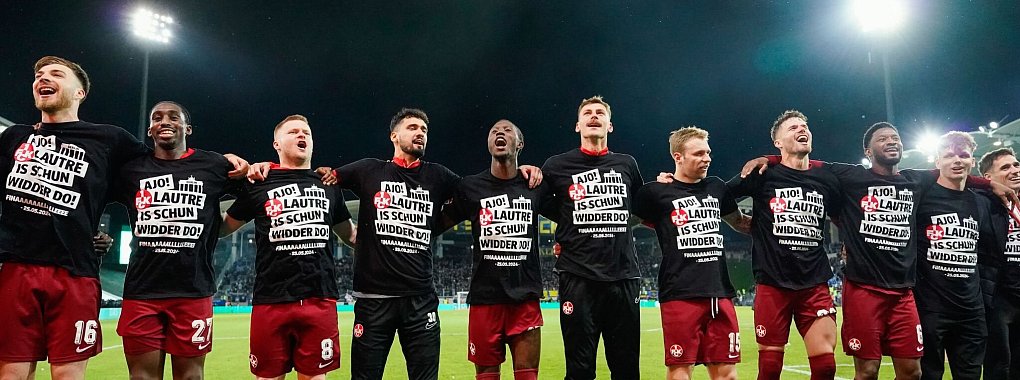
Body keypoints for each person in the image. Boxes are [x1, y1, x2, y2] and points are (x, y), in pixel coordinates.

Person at [248, 108, 541, 380]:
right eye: (412, 127)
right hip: (373, 301)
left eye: (424, 129)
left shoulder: (438, 176)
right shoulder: (368, 170)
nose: (420, 133)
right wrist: (266, 168)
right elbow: (317, 177)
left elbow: (483, 186)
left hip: (420, 299)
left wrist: (520, 171)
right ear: (394, 136)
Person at [0, 56, 152, 380]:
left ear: (80, 92)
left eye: (56, 73)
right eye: (39, 74)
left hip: (75, 274)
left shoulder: (111, 139)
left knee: (68, 374)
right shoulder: (14, 138)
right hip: (15, 270)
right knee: (10, 372)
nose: (43, 78)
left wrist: (225, 166)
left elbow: (160, 171)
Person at [113, 101, 249, 380]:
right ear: (149, 129)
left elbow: (253, 190)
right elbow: (91, 193)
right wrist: (93, 232)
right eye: (157, 118)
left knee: (190, 376)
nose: (165, 121)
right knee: (141, 377)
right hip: (142, 291)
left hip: (193, 290)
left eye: (173, 117)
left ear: (187, 128)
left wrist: (225, 223)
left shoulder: (214, 165)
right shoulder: (130, 170)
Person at [222, 115, 354, 380]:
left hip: (319, 298)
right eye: (293, 132)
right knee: (268, 377)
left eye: (306, 132)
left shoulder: (327, 185)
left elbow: (350, 236)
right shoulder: (259, 183)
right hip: (272, 300)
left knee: (315, 377)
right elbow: (224, 228)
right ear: (276, 144)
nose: (301, 135)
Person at [727, 110, 840, 380]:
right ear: (778, 142)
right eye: (792, 128)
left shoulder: (826, 177)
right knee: (769, 368)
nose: (802, 129)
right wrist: (738, 221)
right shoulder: (763, 173)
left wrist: (850, 242)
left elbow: (843, 212)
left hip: (814, 282)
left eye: (804, 126)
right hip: (772, 282)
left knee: (825, 367)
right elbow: (718, 195)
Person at [632, 127, 750, 380]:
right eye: (698, 153)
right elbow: (622, 224)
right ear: (678, 156)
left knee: (728, 374)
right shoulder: (654, 193)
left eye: (708, 152)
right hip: (680, 294)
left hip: (720, 292)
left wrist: (775, 226)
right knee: (680, 371)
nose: (707, 158)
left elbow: (740, 223)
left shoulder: (717, 188)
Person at [541, 95, 644, 379]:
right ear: (578, 125)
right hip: (578, 278)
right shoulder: (556, 165)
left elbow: (640, 207)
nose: (594, 116)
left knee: (626, 369)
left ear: (610, 125)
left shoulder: (627, 164)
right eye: (587, 113)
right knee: (579, 369)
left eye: (600, 112)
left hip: (623, 277)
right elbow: (539, 201)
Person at [442, 120, 549, 380]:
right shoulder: (470, 187)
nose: (500, 133)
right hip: (485, 300)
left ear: (520, 144)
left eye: (507, 130)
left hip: (525, 299)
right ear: (489, 144)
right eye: (493, 131)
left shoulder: (535, 186)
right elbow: (435, 223)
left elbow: (571, 212)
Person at [914, 131, 992, 380]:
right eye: (949, 155)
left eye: (963, 155)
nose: (957, 160)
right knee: (928, 375)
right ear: (937, 162)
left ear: (972, 160)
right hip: (930, 308)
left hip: (971, 310)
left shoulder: (981, 203)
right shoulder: (921, 198)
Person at [978, 147, 1020, 379]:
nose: (1014, 170)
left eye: (1016, 165)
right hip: (997, 299)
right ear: (988, 177)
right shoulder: (983, 203)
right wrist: (987, 187)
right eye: (1005, 167)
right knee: (998, 367)